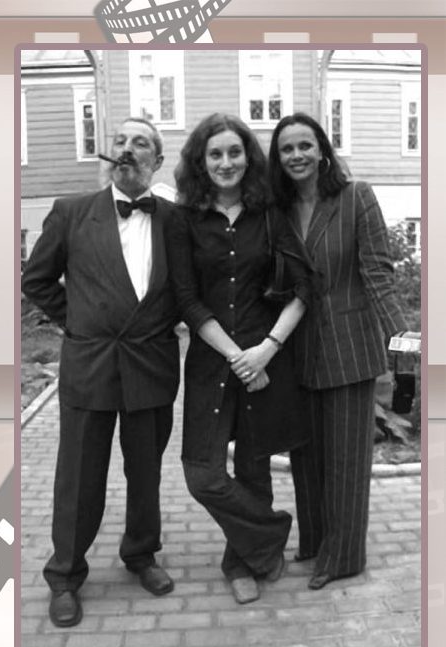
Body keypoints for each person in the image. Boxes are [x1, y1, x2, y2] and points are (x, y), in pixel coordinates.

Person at [21, 117, 180, 627]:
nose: (128, 149)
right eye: (120, 141)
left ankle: (141, 554)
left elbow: (188, 289)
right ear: (109, 153)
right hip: (90, 366)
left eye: (141, 143)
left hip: (150, 364)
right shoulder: (71, 212)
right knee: (79, 476)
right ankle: (65, 575)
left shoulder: (174, 220)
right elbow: (36, 280)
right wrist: (79, 322)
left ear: (157, 161)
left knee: (146, 471)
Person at [165, 113, 315, 604]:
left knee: (254, 469)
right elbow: (187, 300)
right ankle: (272, 532)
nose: (226, 162)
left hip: (266, 359)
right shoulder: (184, 219)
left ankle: (241, 564)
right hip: (212, 362)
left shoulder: (270, 214)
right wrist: (237, 356)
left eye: (234, 152)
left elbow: (303, 288)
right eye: (215, 154)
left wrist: (267, 349)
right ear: (201, 161)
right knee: (202, 474)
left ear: (248, 158)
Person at [268, 111, 414, 590]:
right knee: (306, 457)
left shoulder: (356, 197)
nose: (296, 155)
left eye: (305, 145)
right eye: (287, 148)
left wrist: (405, 346)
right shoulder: (277, 209)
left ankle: (344, 556)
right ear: (278, 158)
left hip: (350, 349)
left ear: (322, 150)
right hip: (297, 349)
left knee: (347, 462)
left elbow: (378, 275)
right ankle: (314, 542)